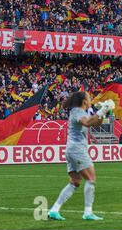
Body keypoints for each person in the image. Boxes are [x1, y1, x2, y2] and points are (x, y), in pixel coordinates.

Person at [48, 92, 113, 221]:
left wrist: (103, 111)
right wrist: (101, 111)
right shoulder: (77, 111)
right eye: (88, 98)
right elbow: (88, 123)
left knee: (75, 182)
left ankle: (54, 210)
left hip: (72, 149)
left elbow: (95, 123)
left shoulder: (80, 112)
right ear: (84, 101)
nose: (90, 99)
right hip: (77, 149)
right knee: (91, 179)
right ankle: (88, 213)